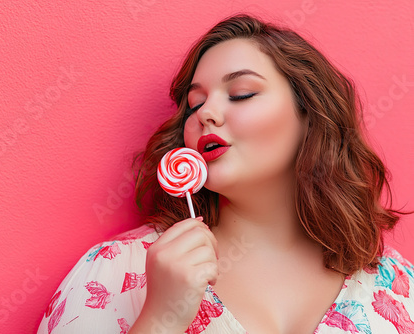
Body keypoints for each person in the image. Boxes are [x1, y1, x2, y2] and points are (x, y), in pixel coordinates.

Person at [36, 13, 414, 334]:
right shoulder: (116, 270)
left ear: (309, 115)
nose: (205, 113)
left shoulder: (398, 287)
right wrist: (160, 319)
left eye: (242, 94)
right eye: (195, 103)